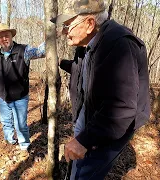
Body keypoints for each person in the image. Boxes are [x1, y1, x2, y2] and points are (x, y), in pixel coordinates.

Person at [51, 0, 151, 179]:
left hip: (110, 126)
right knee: (78, 168)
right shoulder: (88, 44)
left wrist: (84, 140)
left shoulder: (119, 45)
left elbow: (122, 107)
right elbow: (83, 69)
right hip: (91, 114)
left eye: (68, 25)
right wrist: (57, 63)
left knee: (85, 173)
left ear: (89, 24)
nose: (65, 32)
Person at [0, 24, 45, 151]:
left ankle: (24, 145)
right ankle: (10, 139)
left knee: (20, 125)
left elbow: (40, 52)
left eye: (6, 35)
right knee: (6, 122)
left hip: (20, 97)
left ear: (11, 36)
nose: (4, 39)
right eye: (1, 37)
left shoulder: (23, 50)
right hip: (3, 97)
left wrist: (50, 39)